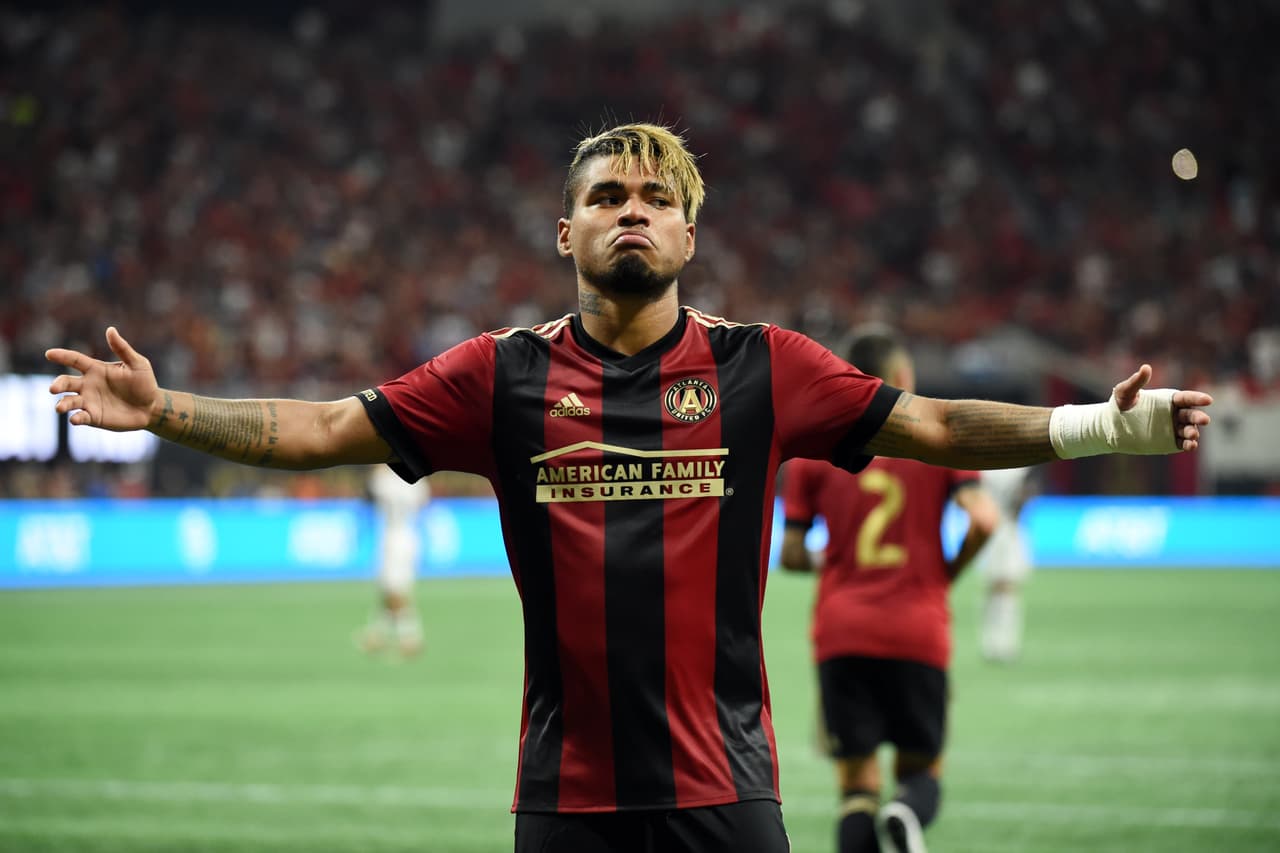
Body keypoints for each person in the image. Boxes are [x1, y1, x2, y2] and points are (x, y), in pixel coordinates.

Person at [45, 123, 1212, 853]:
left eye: (656, 198)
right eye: (609, 196)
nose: (633, 211)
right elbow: (317, 428)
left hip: (730, 792)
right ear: (568, 231)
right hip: (565, 801)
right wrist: (166, 410)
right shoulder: (496, 376)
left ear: (689, 235)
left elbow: (935, 423)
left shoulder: (764, 367)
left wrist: (1093, 423)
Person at [778, 328, 1000, 853]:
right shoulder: (936, 442)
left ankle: (883, 813)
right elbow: (985, 522)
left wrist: (837, 563)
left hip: (842, 631)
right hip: (917, 628)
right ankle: (906, 813)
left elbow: (788, 555)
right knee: (921, 774)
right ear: (902, 379)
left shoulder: (817, 452)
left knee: (855, 791)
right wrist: (944, 572)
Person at [357, 464, 431, 656]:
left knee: (395, 591)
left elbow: (370, 492)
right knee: (390, 589)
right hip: (411, 536)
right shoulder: (417, 479)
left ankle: (411, 637)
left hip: (392, 537)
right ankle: (377, 634)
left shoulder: (385, 479)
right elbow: (424, 502)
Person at [974, 465, 1036, 663]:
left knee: (996, 588)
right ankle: (1003, 643)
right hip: (1005, 528)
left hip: (993, 528)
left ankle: (995, 642)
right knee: (1006, 588)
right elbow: (1028, 494)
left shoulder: (984, 466)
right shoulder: (1020, 465)